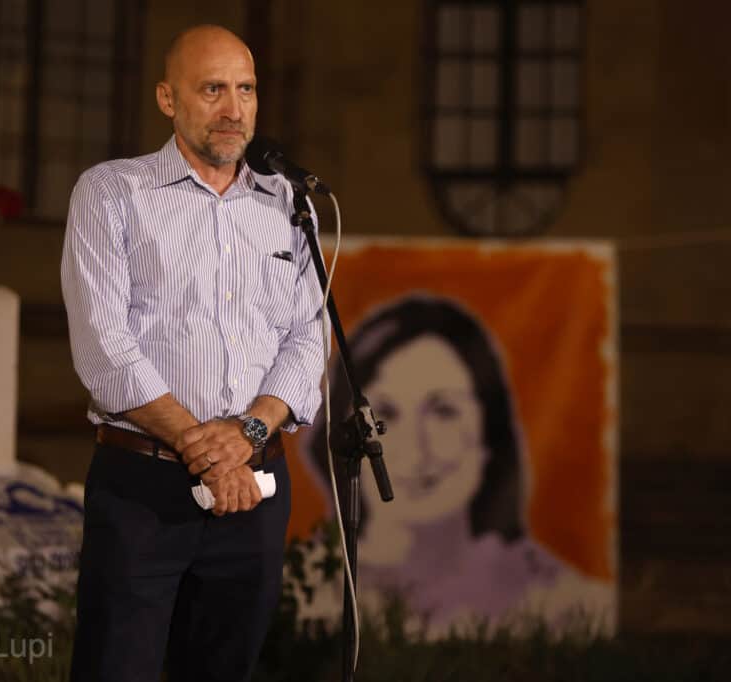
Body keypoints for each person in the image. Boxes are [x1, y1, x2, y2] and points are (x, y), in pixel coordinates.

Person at [60, 24, 325, 681]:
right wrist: (204, 449)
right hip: (143, 489)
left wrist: (248, 433)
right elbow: (104, 345)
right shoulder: (112, 192)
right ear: (167, 99)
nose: (234, 109)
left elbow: (306, 338)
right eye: (212, 90)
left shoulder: (289, 206)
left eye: (246, 90)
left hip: (256, 490)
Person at [307, 294, 606, 631]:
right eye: (387, 412)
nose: (416, 450)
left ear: (489, 432)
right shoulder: (304, 592)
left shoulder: (561, 604)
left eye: (443, 411)